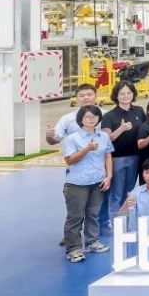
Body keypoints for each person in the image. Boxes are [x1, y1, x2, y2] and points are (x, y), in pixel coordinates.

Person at [61, 105, 113, 262]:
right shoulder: (73, 138)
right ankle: (73, 248)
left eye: (94, 116)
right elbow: (70, 160)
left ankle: (92, 242)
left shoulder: (103, 136)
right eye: (87, 116)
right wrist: (87, 149)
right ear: (81, 119)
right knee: (75, 217)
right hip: (77, 183)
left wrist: (109, 176)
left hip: (98, 181)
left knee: (93, 214)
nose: (91, 119)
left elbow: (107, 156)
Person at [100, 80, 145, 228]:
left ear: (133, 94)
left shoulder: (139, 111)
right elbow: (107, 138)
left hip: (136, 157)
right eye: (122, 93)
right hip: (117, 159)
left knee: (129, 192)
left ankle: (127, 223)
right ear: (116, 96)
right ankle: (115, 224)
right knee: (116, 193)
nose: (126, 96)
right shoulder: (110, 115)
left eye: (129, 93)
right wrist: (121, 129)